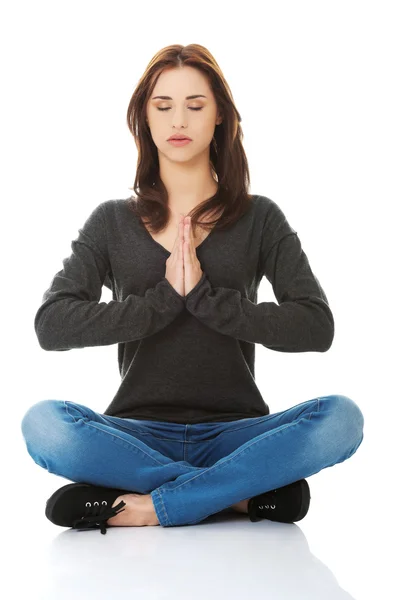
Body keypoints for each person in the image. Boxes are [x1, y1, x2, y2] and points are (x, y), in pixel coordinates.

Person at [20, 43, 364, 535]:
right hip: (135, 436)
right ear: (145, 116)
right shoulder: (112, 221)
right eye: (163, 106)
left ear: (220, 115)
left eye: (195, 105)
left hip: (238, 432)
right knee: (44, 425)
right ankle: (238, 496)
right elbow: (51, 325)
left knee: (342, 419)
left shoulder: (259, 217)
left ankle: (146, 504)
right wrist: (163, 301)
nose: (178, 119)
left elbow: (315, 325)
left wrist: (204, 297)